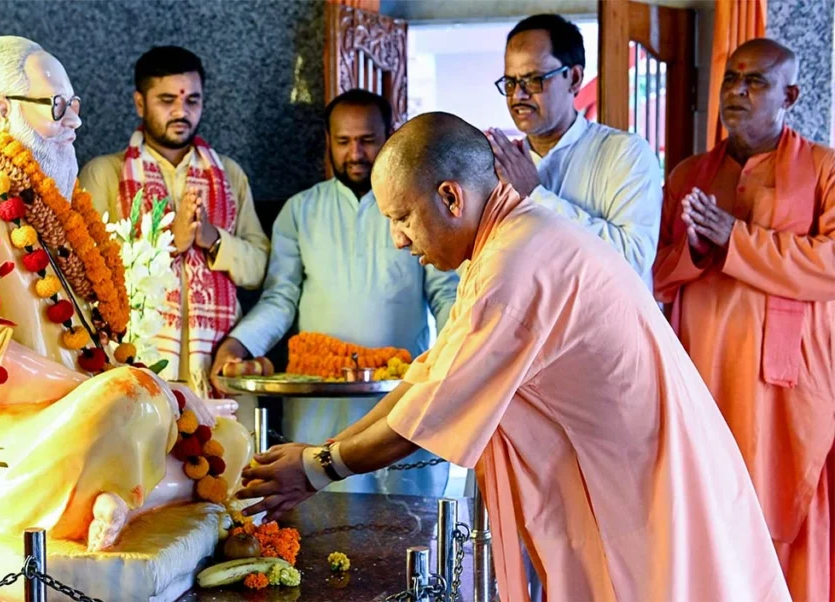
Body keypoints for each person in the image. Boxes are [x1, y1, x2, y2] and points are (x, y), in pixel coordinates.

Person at [238, 112, 792, 602]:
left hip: (647, 485)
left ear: (451, 197)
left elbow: (432, 410)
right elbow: (428, 377)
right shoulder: (507, 242)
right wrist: (319, 457)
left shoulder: (513, 264)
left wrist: (321, 466)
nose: (398, 240)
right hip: (630, 474)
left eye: (402, 217)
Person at [0, 36, 251, 553]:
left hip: (77, 415)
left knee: (230, 443)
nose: (75, 121)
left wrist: (152, 391)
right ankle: (110, 491)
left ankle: (114, 494)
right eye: (57, 106)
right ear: (2, 112)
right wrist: (119, 390)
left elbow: (86, 344)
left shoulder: (39, 204)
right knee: (134, 398)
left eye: (74, 105)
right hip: (1, 442)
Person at [653, 38, 834, 602]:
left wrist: (736, 239)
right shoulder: (689, 174)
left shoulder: (824, 169)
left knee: (788, 508)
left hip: (787, 381)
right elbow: (656, 271)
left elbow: (830, 265)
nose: (737, 91)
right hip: (705, 368)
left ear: (790, 95)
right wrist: (696, 249)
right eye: (732, 78)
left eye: (755, 81)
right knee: (708, 502)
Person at [212, 90, 459, 496]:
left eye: (367, 140)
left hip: (398, 395)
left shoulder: (418, 207)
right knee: (320, 516)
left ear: (390, 136)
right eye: (343, 141)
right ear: (328, 141)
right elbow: (280, 298)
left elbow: (446, 294)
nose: (355, 153)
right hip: (319, 403)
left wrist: (458, 356)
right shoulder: (300, 211)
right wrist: (239, 344)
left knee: (407, 516)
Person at [80, 45, 268, 397]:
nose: (182, 111)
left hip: (215, 371)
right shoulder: (106, 174)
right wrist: (167, 243)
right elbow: (87, 273)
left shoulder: (228, 175)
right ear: (140, 103)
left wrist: (214, 240)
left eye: (193, 100)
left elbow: (258, 267)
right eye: (167, 100)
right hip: (131, 368)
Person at [487, 13, 661, 288]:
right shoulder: (502, 165)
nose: (518, 95)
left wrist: (534, 196)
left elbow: (632, 259)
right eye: (510, 83)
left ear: (575, 78)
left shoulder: (625, 154)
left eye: (534, 80)